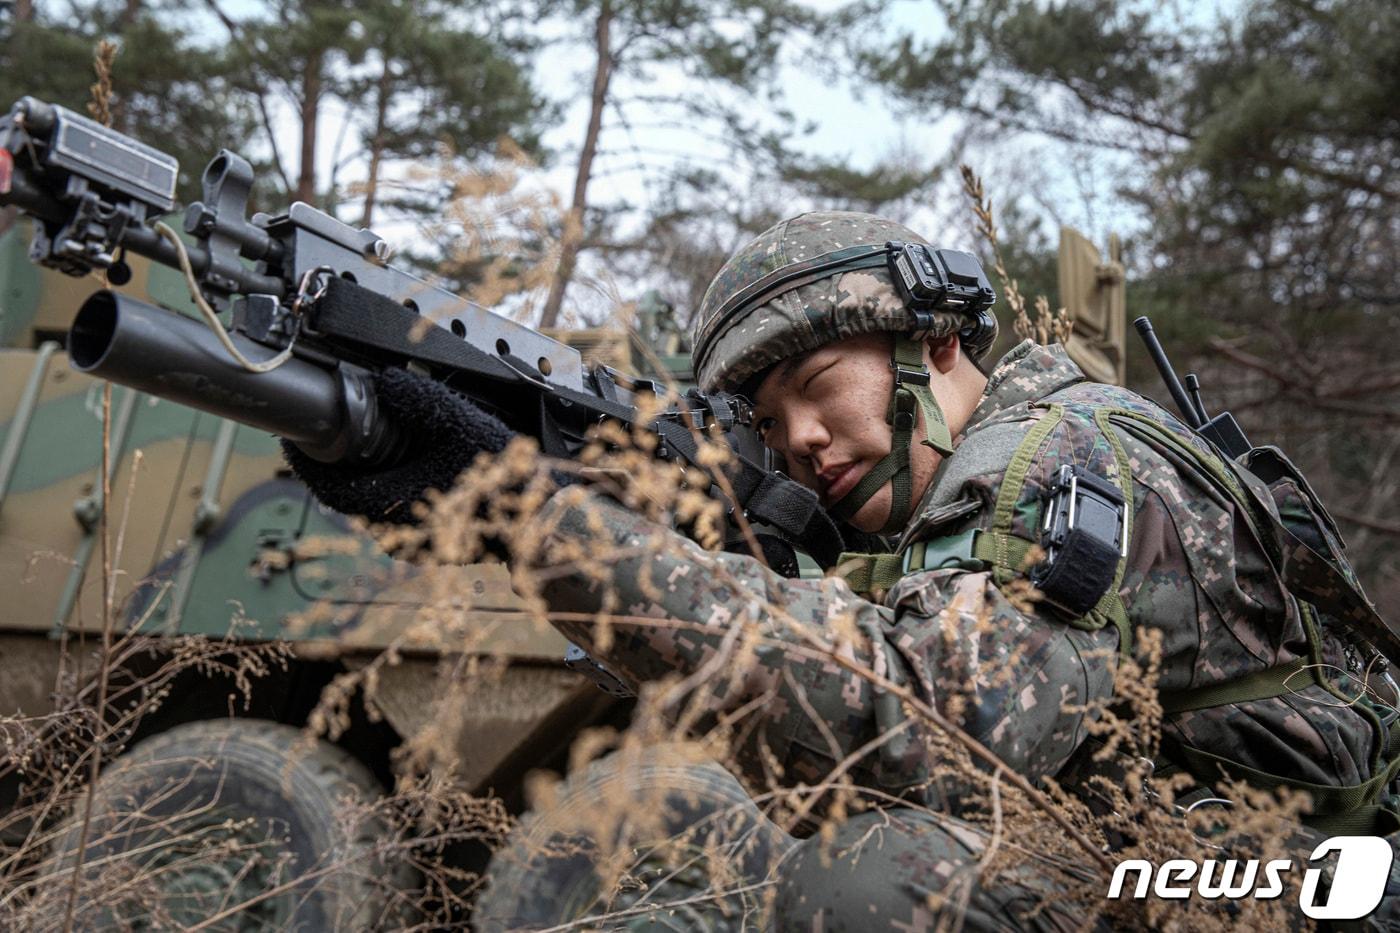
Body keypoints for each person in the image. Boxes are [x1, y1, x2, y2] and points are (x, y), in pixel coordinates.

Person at [285, 211, 1399, 929]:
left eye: (821, 383)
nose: (802, 440)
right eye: (769, 426)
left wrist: (547, 524)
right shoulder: (938, 505)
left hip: (1301, 882)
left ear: (938, 345)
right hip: (1184, 851)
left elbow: (932, 733)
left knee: (882, 877)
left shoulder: (1051, 455)